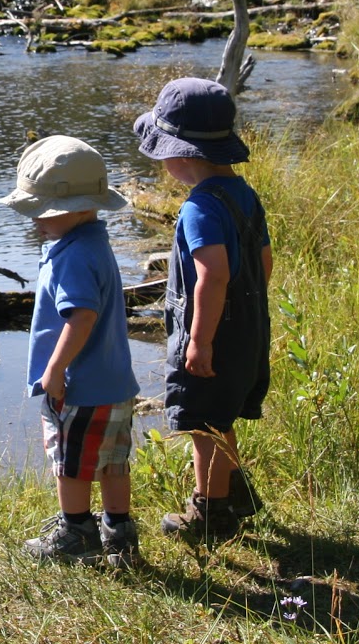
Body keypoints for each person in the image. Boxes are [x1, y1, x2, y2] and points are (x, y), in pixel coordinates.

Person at [133, 77, 272, 544]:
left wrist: (200, 339)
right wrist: (247, 310)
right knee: (220, 416)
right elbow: (263, 261)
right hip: (249, 327)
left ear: (180, 154)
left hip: (214, 334)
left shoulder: (199, 208)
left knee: (200, 426)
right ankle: (234, 492)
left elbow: (212, 273)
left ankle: (209, 513)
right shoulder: (243, 194)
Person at [0, 135, 142, 567]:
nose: (36, 223)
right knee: (113, 462)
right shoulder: (92, 243)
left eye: (44, 214)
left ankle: (76, 530)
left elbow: (81, 318)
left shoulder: (73, 257)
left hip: (79, 386)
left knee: (70, 463)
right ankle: (119, 532)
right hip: (114, 379)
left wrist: (55, 370)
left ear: (80, 209)